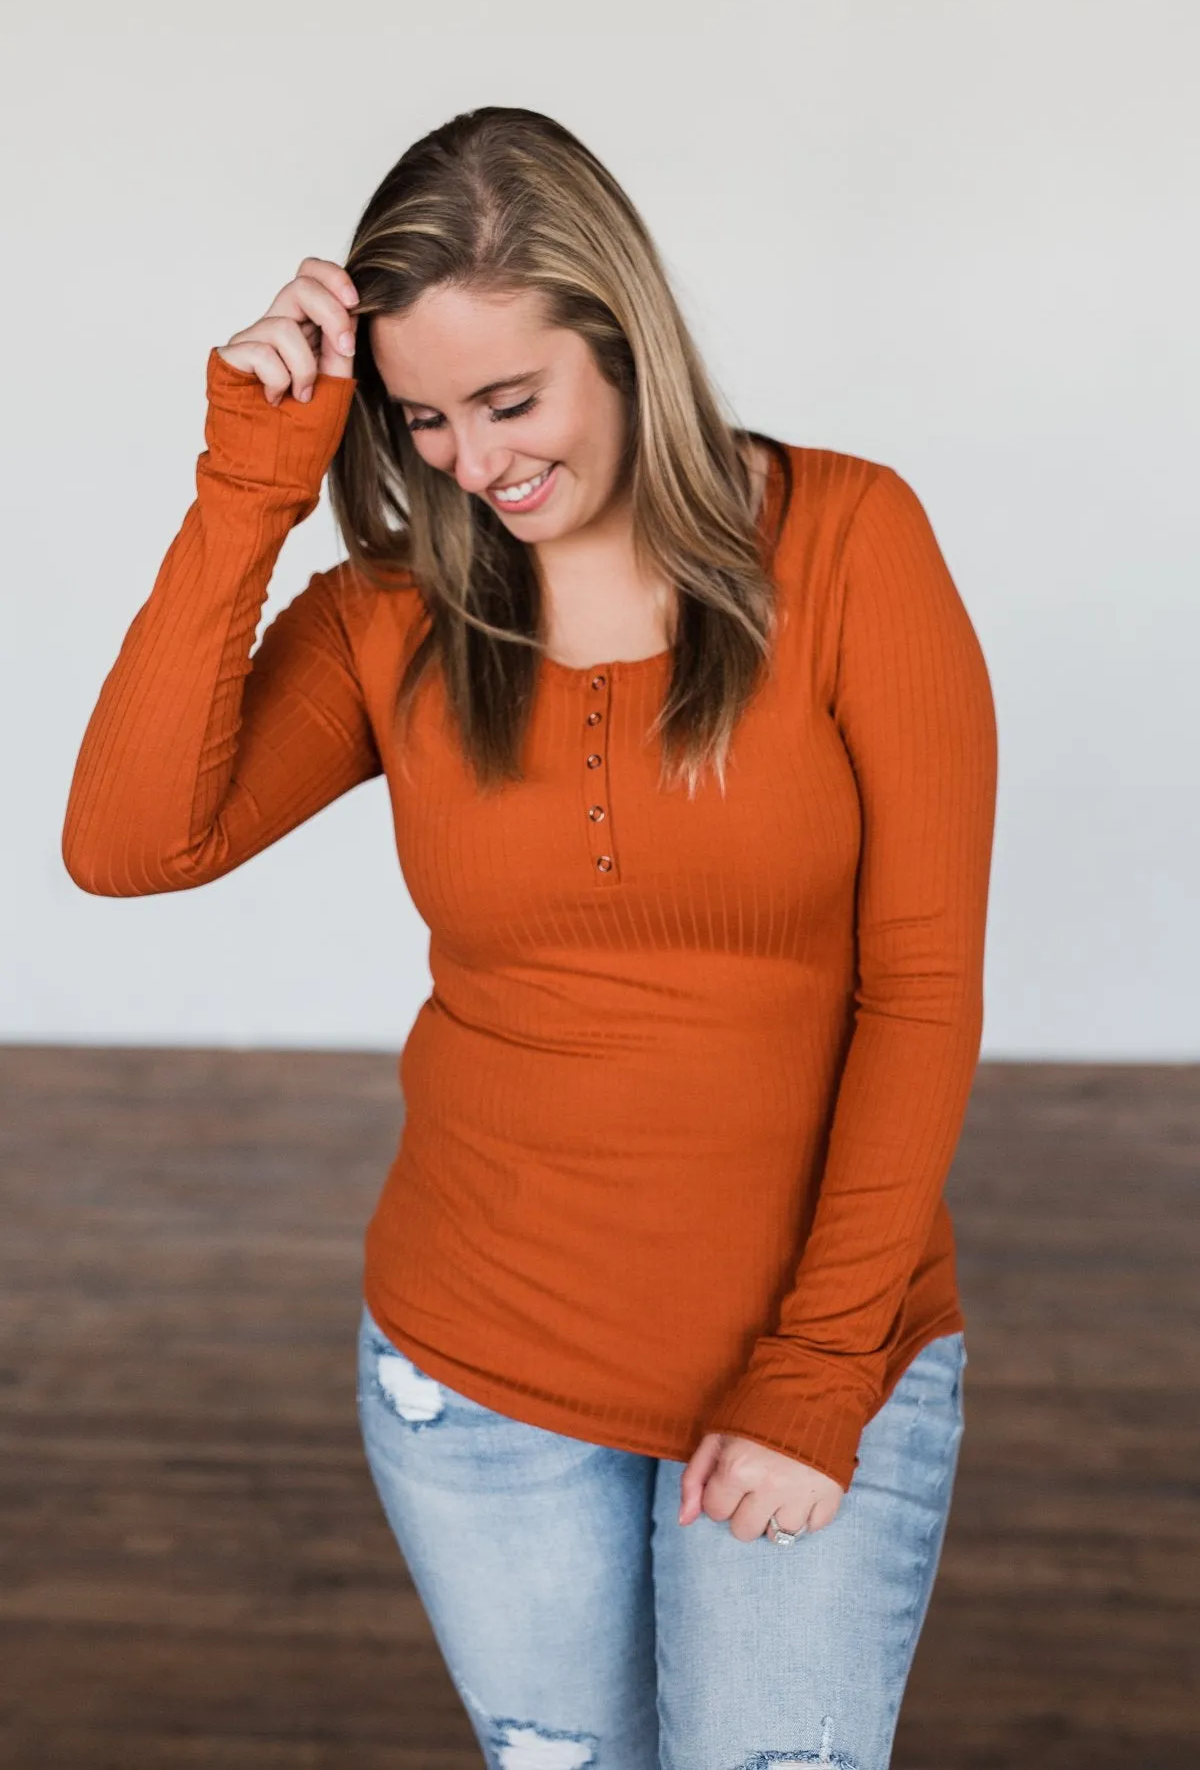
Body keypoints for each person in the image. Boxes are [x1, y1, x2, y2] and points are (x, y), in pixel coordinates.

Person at [62, 105, 998, 1770]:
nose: (477, 464)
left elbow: (918, 992)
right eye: (423, 419)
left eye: (511, 400)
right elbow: (130, 845)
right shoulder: (396, 613)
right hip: (476, 1371)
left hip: (811, 1351)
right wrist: (250, 484)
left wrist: (816, 1373)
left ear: (622, 340)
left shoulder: (852, 545)